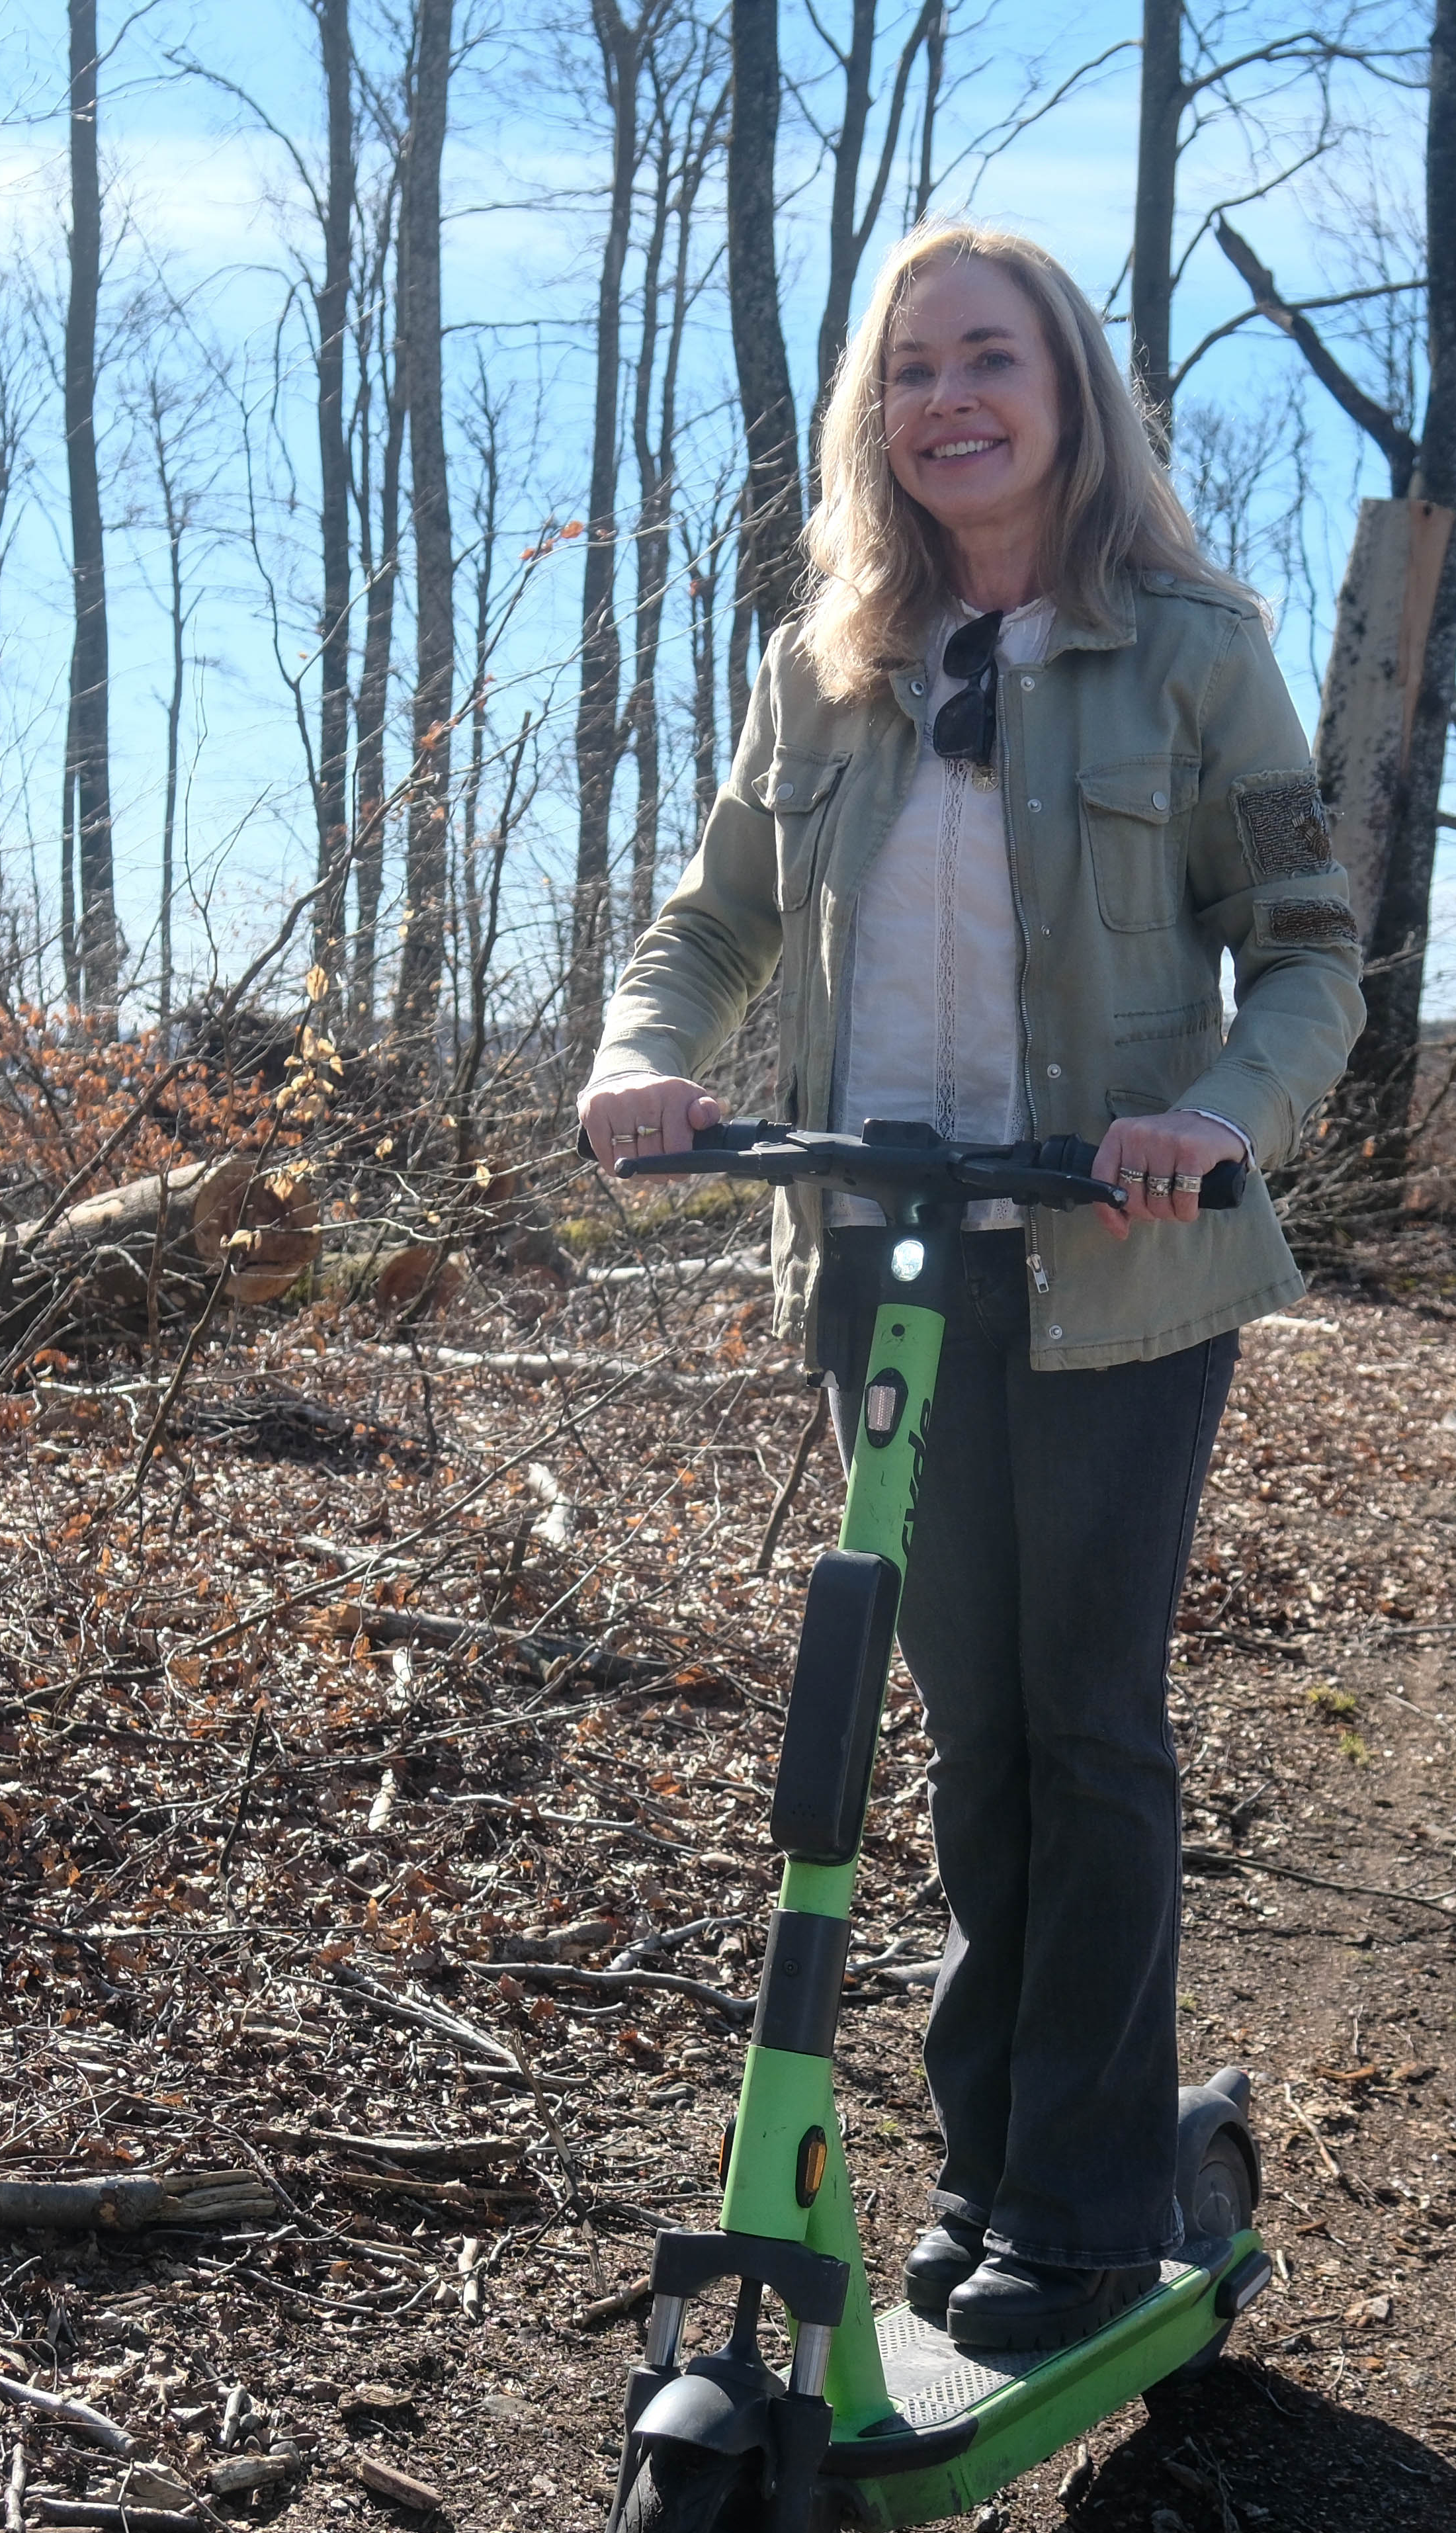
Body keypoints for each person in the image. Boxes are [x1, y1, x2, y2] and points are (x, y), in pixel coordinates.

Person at [575, 224, 1363, 2357]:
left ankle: (1087, 2203)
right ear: (877, 412)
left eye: (989, 360)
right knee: (962, 1730)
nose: (949, 404)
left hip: (1115, 1264)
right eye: (912, 370)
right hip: (879, 1244)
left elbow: (1307, 952)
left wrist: (1207, 1117)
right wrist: (650, 1052)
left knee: (1085, 1731)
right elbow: (711, 919)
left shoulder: (1193, 648)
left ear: (1067, 386)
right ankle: (994, 2160)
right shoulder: (825, 659)